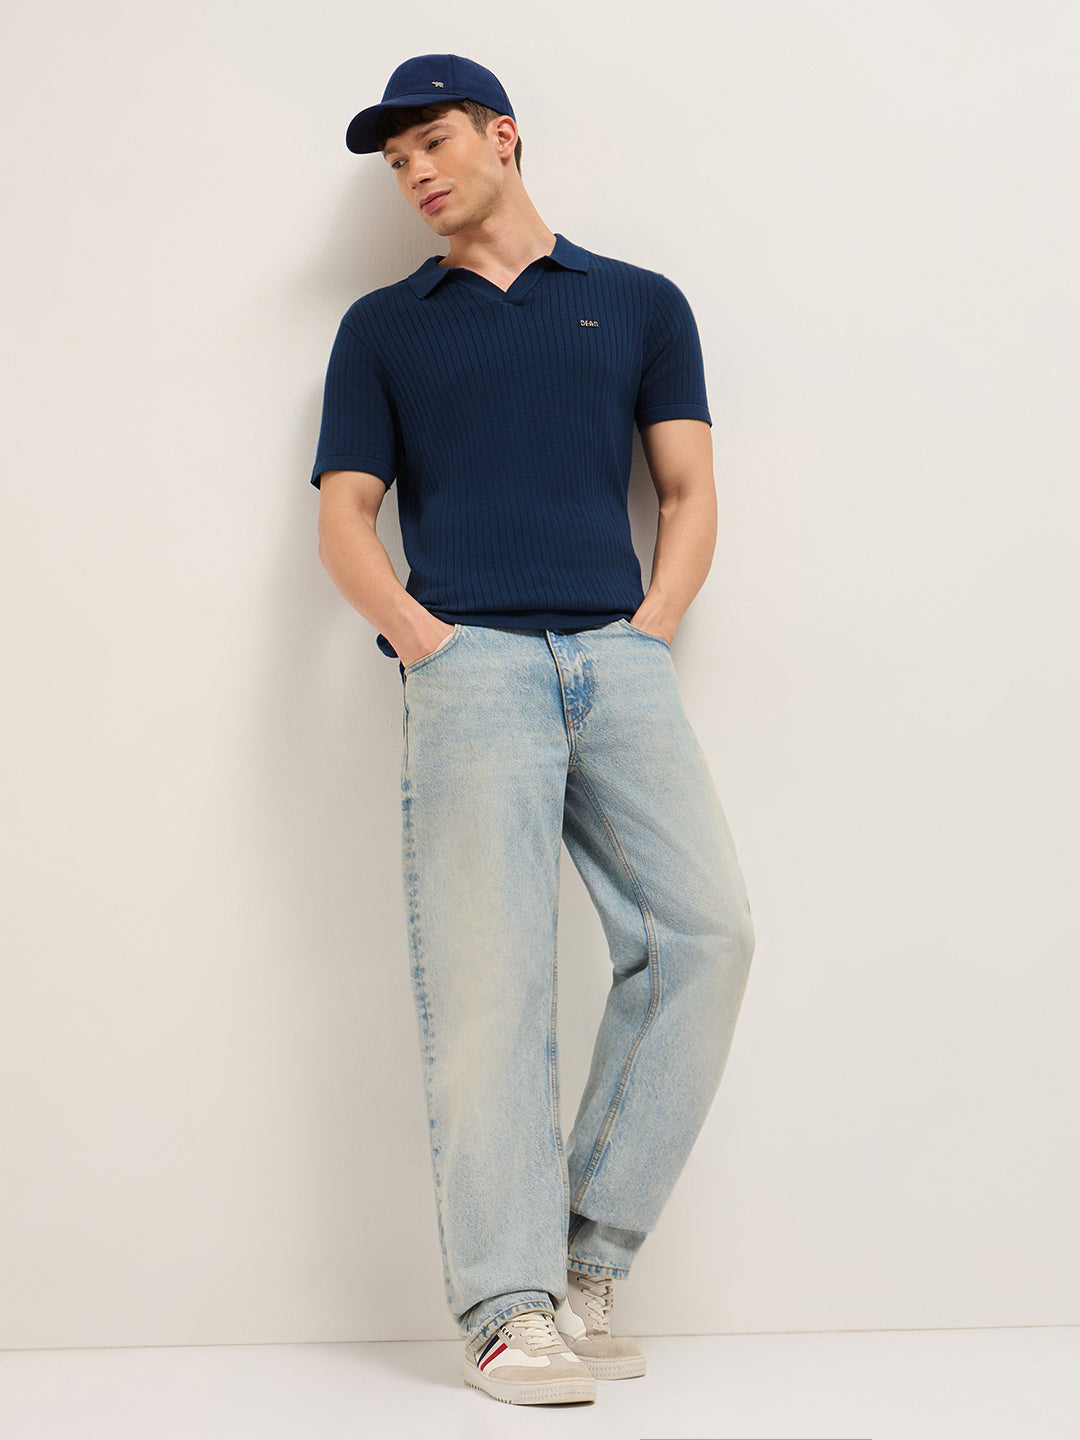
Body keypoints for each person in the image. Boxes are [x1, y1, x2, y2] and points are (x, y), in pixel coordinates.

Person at [311, 53, 755, 1408]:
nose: (416, 173)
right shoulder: (385, 329)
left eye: (434, 143)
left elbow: (687, 490)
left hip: (618, 658)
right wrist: (424, 639)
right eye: (397, 163)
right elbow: (345, 517)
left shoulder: (639, 303)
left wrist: (652, 629)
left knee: (704, 938)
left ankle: (582, 1261)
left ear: (503, 135)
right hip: (471, 668)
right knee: (491, 988)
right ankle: (507, 1311)